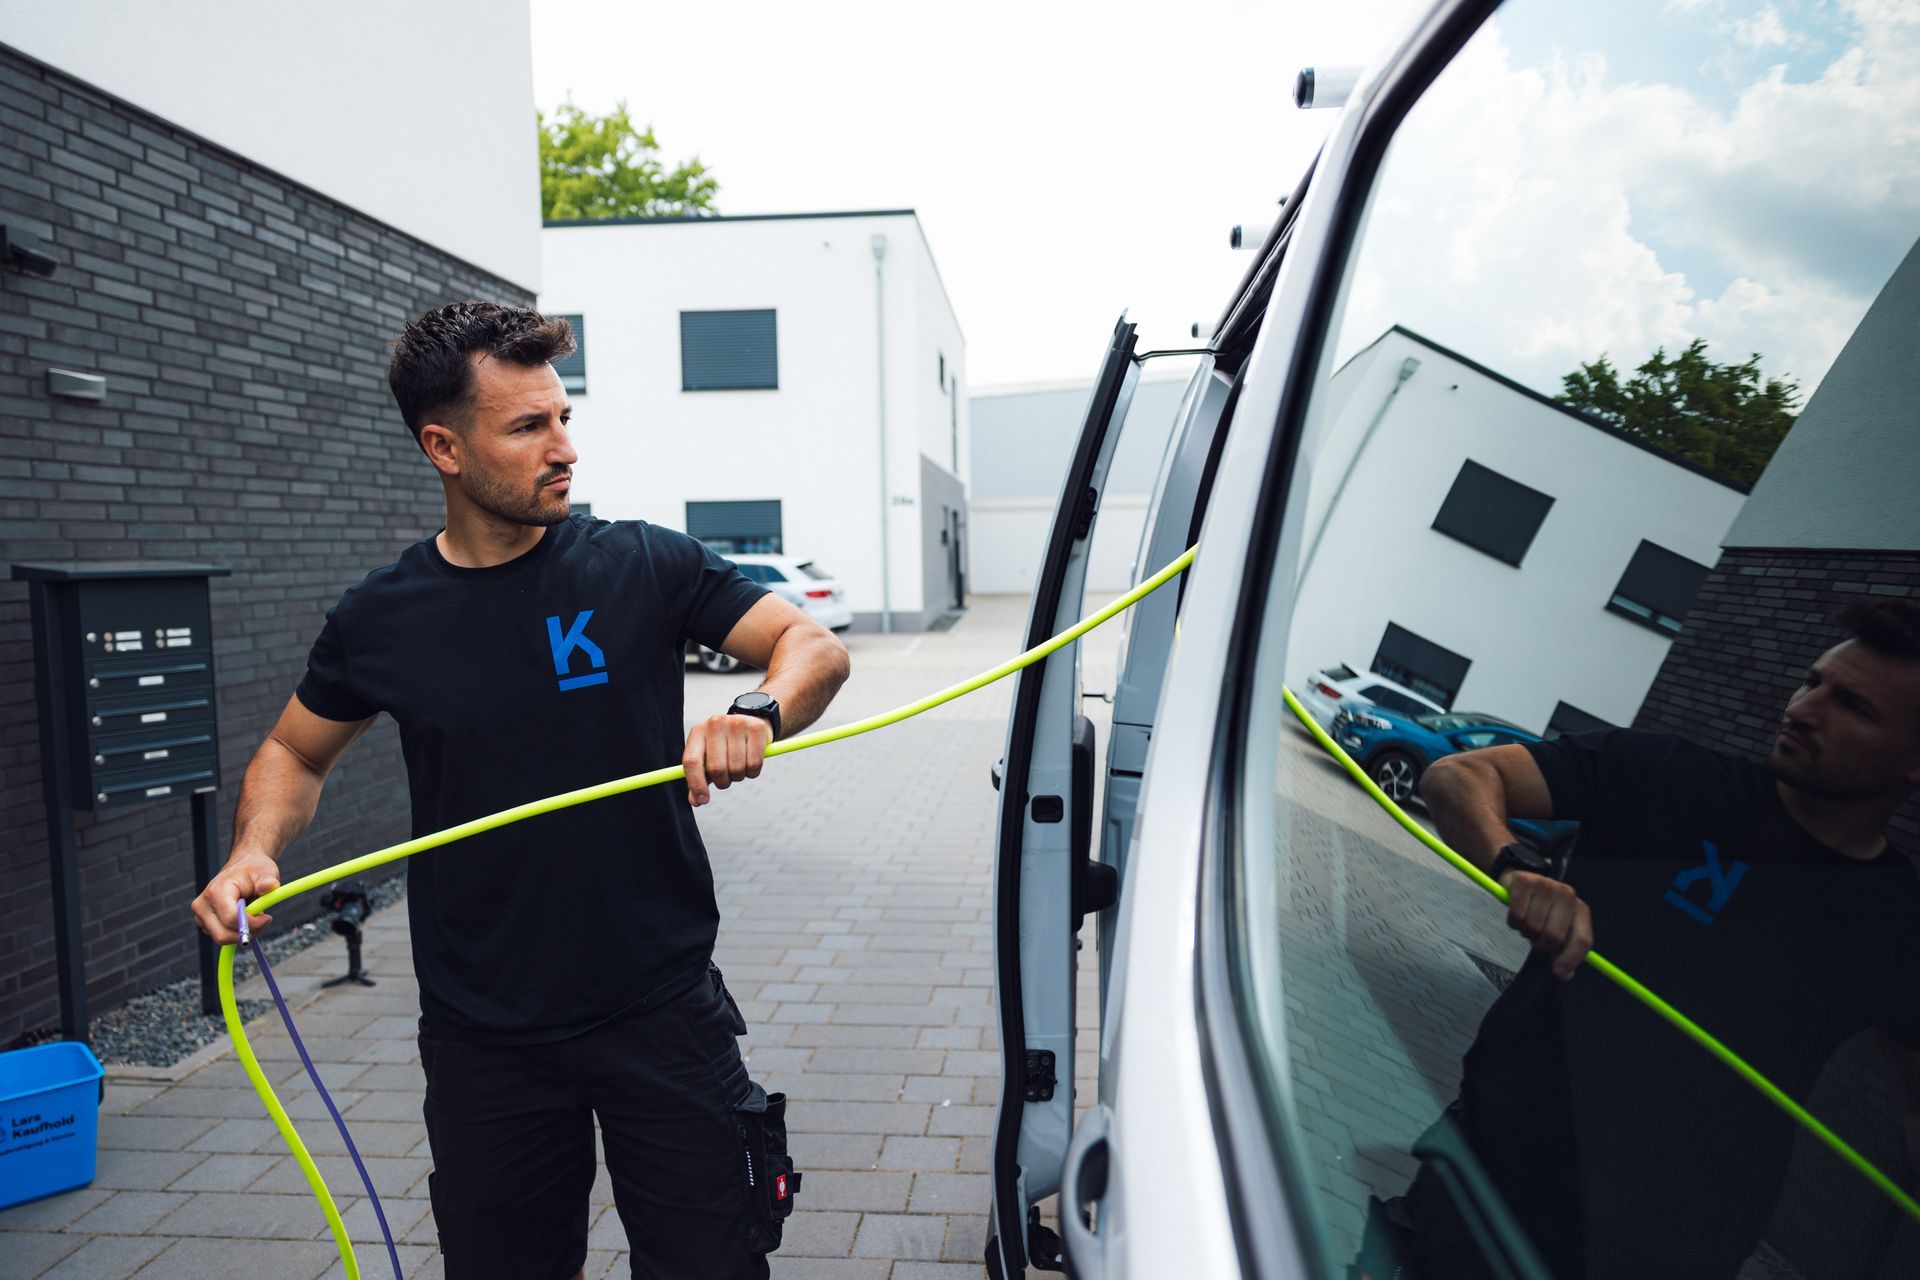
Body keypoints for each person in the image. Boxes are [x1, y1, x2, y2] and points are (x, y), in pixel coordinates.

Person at [189, 303, 850, 1280]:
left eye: (564, 416)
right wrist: (255, 848)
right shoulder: (381, 616)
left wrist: (757, 708)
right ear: (444, 446)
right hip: (484, 1038)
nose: (564, 448)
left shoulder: (641, 565)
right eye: (528, 426)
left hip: (662, 1010)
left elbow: (813, 646)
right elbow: (295, 750)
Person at [1401, 596, 1920, 1278]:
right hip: (1486, 1184)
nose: (1803, 708)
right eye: (1811, 681)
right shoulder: (1663, 777)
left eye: (1853, 706)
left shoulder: (1897, 919)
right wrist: (1519, 867)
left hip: (1670, 1255)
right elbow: (1460, 775)